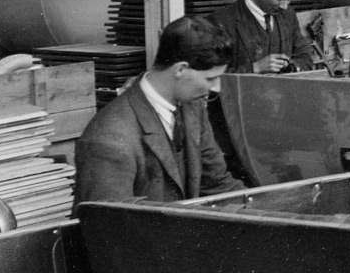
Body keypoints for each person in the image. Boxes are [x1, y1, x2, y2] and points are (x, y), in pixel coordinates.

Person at [75, 17, 237, 204]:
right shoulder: (109, 141)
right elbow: (113, 220)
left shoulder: (192, 106)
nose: (217, 87)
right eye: (210, 79)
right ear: (180, 69)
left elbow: (219, 185)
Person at [205, 0, 315, 74]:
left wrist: (291, 67)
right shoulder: (221, 21)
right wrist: (254, 68)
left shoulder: (288, 15)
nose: (285, 6)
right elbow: (209, 74)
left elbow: (305, 57)